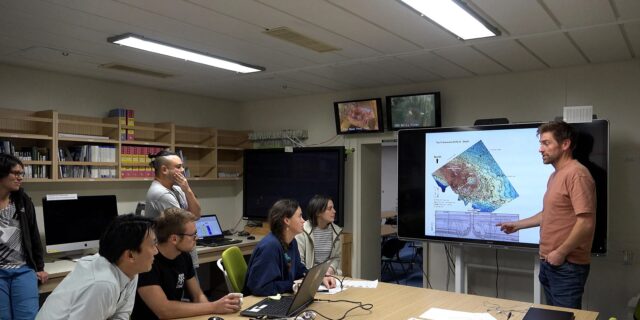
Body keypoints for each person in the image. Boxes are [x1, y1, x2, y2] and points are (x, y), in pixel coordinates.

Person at [497, 120, 596, 309]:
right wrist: (517, 225)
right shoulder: (555, 175)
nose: (540, 149)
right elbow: (549, 214)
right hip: (550, 263)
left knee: (564, 317)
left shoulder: (577, 174)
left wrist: (561, 252)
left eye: (546, 143)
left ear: (565, 144)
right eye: (540, 143)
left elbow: (586, 223)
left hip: (567, 265)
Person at [37, 214, 157, 320]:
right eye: (152, 245)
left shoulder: (130, 270)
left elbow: (122, 314)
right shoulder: (102, 283)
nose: (156, 251)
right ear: (130, 255)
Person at [132, 208, 241, 319]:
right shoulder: (148, 261)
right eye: (193, 235)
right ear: (174, 239)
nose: (196, 238)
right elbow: (164, 310)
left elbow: (197, 295)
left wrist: (212, 314)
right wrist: (213, 306)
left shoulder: (184, 256)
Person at [243, 199, 336, 297]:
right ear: (287, 220)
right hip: (258, 302)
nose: (303, 220)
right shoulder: (270, 247)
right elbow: (260, 288)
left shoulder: (292, 242)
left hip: (279, 298)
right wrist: (292, 285)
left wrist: (319, 278)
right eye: (299, 216)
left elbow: (299, 270)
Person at [0, 153, 47, 320]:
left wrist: (40, 267)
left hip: (23, 269)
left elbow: (33, 235)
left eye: (22, 174)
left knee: (27, 316)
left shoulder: (22, 201)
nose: (20, 178)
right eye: (16, 173)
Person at [145, 149, 201, 269]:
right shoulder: (160, 194)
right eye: (178, 167)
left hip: (182, 253)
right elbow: (183, 224)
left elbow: (196, 215)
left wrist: (187, 190)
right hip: (170, 257)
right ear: (164, 170)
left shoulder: (178, 189)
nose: (182, 170)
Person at [296, 195, 343, 276]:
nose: (334, 211)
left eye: (333, 208)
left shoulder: (336, 231)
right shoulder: (302, 230)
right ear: (318, 212)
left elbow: (336, 258)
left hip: (330, 275)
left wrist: (329, 270)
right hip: (308, 276)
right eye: (330, 208)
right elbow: (299, 261)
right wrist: (317, 275)